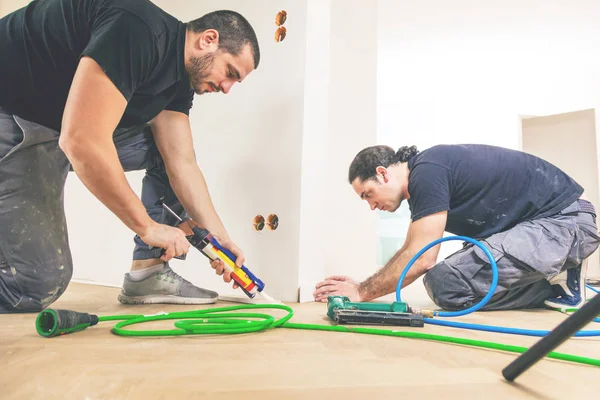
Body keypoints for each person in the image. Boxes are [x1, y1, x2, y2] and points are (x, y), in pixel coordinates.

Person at [0, 0, 260, 313]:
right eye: (230, 72)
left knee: (164, 149)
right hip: (13, 114)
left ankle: (147, 273)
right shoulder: (137, 29)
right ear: (208, 40)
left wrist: (221, 241)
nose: (228, 87)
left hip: (60, 127)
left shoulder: (180, 78)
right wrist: (147, 226)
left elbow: (182, 163)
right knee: (33, 285)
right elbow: (82, 139)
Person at [314, 144, 600, 311]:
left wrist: (361, 294)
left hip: (566, 221)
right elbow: (410, 251)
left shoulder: (427, 172)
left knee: (445, 283)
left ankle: (559, 281)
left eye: (368, 195)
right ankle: (556, 281)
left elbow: (422, 260)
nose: (371, 206)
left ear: (382, 173)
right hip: (545, 225)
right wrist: (361, 286)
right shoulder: (424, 178)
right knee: (448, 282)